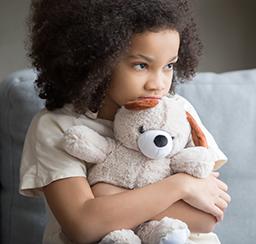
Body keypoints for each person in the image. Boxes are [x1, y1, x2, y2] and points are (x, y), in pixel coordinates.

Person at [18, 0, 231, 243]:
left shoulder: (177, 113)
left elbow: (207, 218)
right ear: (97, 61)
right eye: (141, 65)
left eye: (169, 66)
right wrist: (180, 186)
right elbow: (83, 226)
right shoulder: (58, 126)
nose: (159, 84)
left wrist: (105, 200)